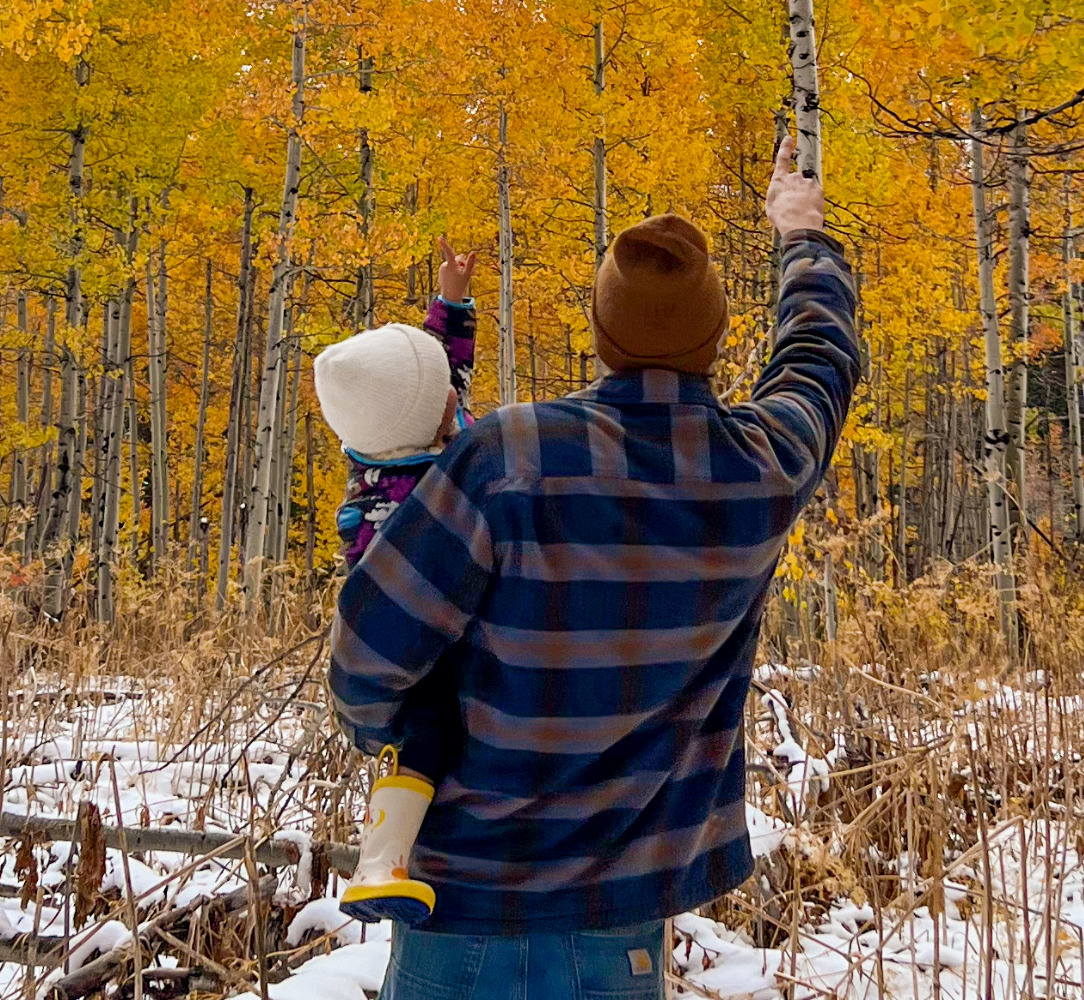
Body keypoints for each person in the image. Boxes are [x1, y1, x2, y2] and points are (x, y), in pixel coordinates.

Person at [327, 134, 859, 1000]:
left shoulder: (511, 455)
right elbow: (819, 362)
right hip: (622, 916)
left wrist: (402, 739)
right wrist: (802, 237)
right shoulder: (755, 470)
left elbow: (368, 654)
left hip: (464, 898)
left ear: (602, 332)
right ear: (717, 338)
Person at [309, 237, 484, 926]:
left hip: (422, 639)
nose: (455, 388)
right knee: (425, 738)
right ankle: (380, 863)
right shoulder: (408, 497)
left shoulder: (407, 433)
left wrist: (452, 301)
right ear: (426, 416)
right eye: (443, 389)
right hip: (413, 652)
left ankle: (390, 854)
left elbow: (440, 375)